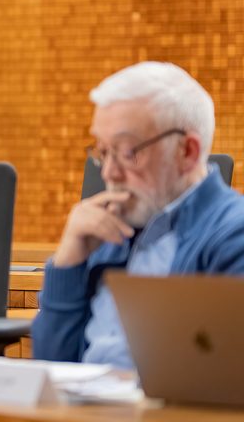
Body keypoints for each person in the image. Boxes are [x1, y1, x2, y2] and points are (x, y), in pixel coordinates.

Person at [33, 61, 244, 369]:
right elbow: (52, 366)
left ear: (187, 152)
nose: (108, 172)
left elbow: (218, 383)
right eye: (103, 152)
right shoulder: (106, 232)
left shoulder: (233, 234)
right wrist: (68, 263)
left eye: (128, 152)